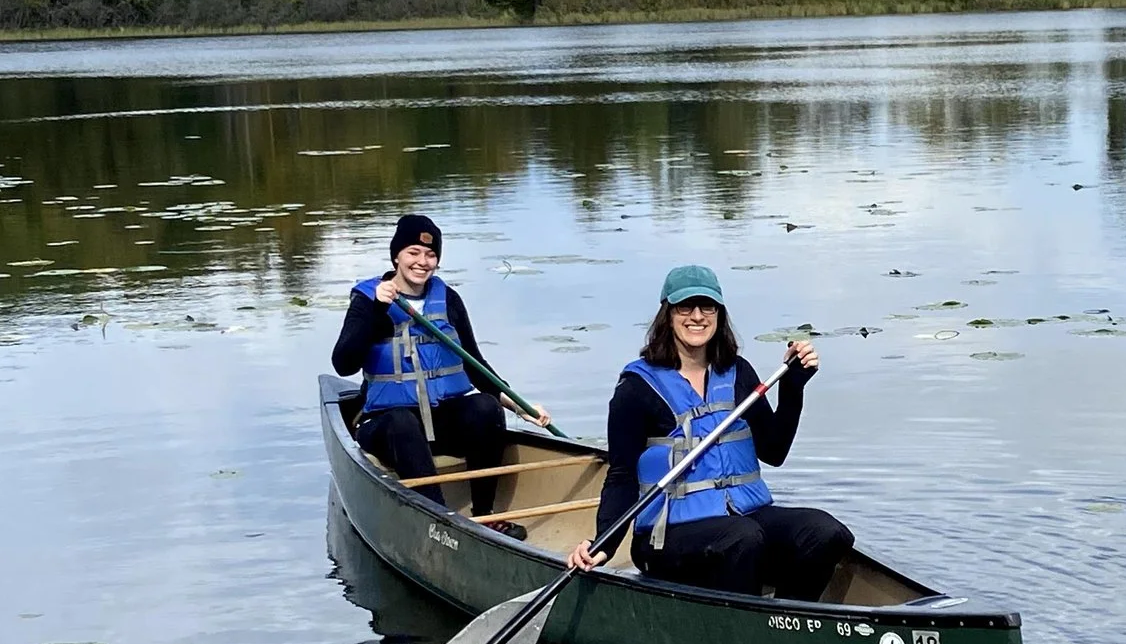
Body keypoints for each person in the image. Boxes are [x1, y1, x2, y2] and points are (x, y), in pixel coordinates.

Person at [567, 264, 852, 600]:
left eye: (708, 307)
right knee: (743, 538)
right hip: (668, 536)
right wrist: (605, 543)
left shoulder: (737, 372)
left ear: (719, 313)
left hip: (743, 520)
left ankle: (788, 619)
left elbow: (774, 451)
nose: (697, 316)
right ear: (668, 315)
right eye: (685, 307)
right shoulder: (636, 389)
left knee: (826, 533)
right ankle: (741, 631)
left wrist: (792, 389)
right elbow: (622, 474)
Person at [333, 213, 545, 532]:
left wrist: (521, 408)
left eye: (431, 255)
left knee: (484, 408)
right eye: (413, 253)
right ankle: (441, 521)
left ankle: (485, 516)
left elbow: (475, 364)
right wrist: (376, 310)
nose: (422, 262)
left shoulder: (447, 299)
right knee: (401, 423)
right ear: (396, 256)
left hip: (439, 421)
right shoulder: (369, 300)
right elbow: (343, 363)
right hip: (386, 424)